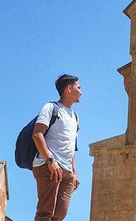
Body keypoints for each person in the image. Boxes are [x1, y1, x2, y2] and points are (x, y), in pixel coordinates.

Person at [32, 74, 82, 221]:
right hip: (49, 166)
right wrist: (50, 161)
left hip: (67, 171)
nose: (81, 92)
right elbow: (37, 134)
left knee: (59, 215)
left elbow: (71, 146)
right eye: (79, 88)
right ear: (69, 88)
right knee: (45, 213)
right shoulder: (51, 107)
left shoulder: (75, 117)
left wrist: (74, 172)